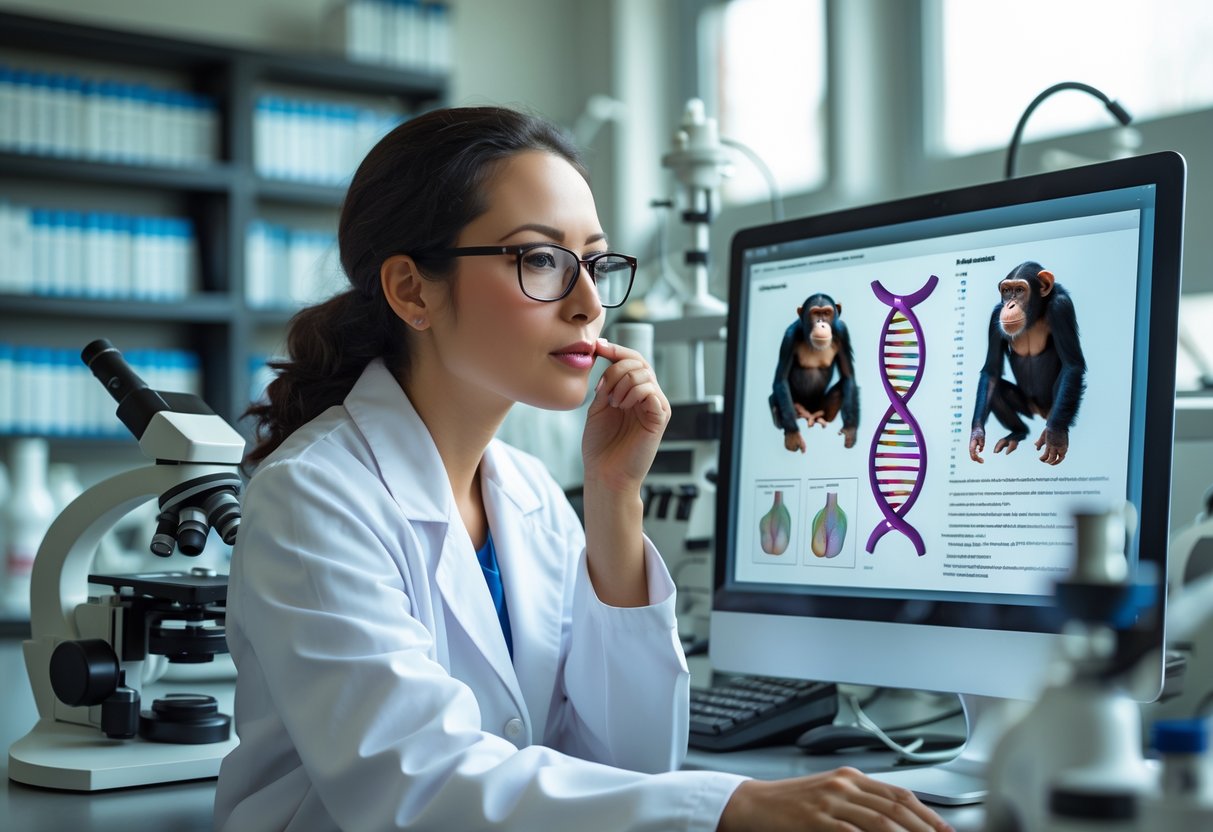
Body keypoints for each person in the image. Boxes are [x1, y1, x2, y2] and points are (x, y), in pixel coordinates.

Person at [213, 106, 952, 832]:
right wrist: (730, 804)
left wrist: (613, 495)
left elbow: (630, 763)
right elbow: (416, 788)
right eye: (540, 260)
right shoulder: (314, 497)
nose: (588, 303)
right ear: (412, 290)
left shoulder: (528, 491)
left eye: (594, 262)